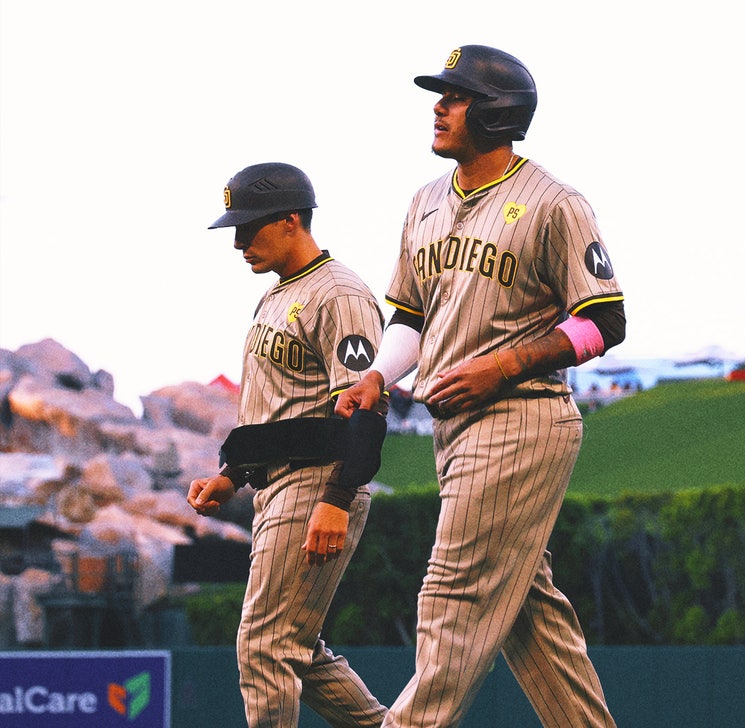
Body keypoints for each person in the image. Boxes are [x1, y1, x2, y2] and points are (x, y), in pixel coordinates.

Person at [334, 45, 623, 727]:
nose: (439, 106)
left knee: (454, 595)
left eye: (455, 96)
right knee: (528, 613)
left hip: (523, 416)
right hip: (454, 429)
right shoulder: (425, 202)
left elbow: (603, 320)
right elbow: (410, 313)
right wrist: (378, 373)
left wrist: (506, 364)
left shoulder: (554, 202)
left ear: (497, 113)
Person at [188, 162, 389, 727]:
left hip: (316, 481)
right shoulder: (277, 296)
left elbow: (367, 409)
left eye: (248, 227)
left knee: (266, 645)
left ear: (291, 220)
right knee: (298, 650)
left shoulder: (341, 294)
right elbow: (280, 412)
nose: (237, 242)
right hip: (279, 485)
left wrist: (338, 496)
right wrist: (233, 472)